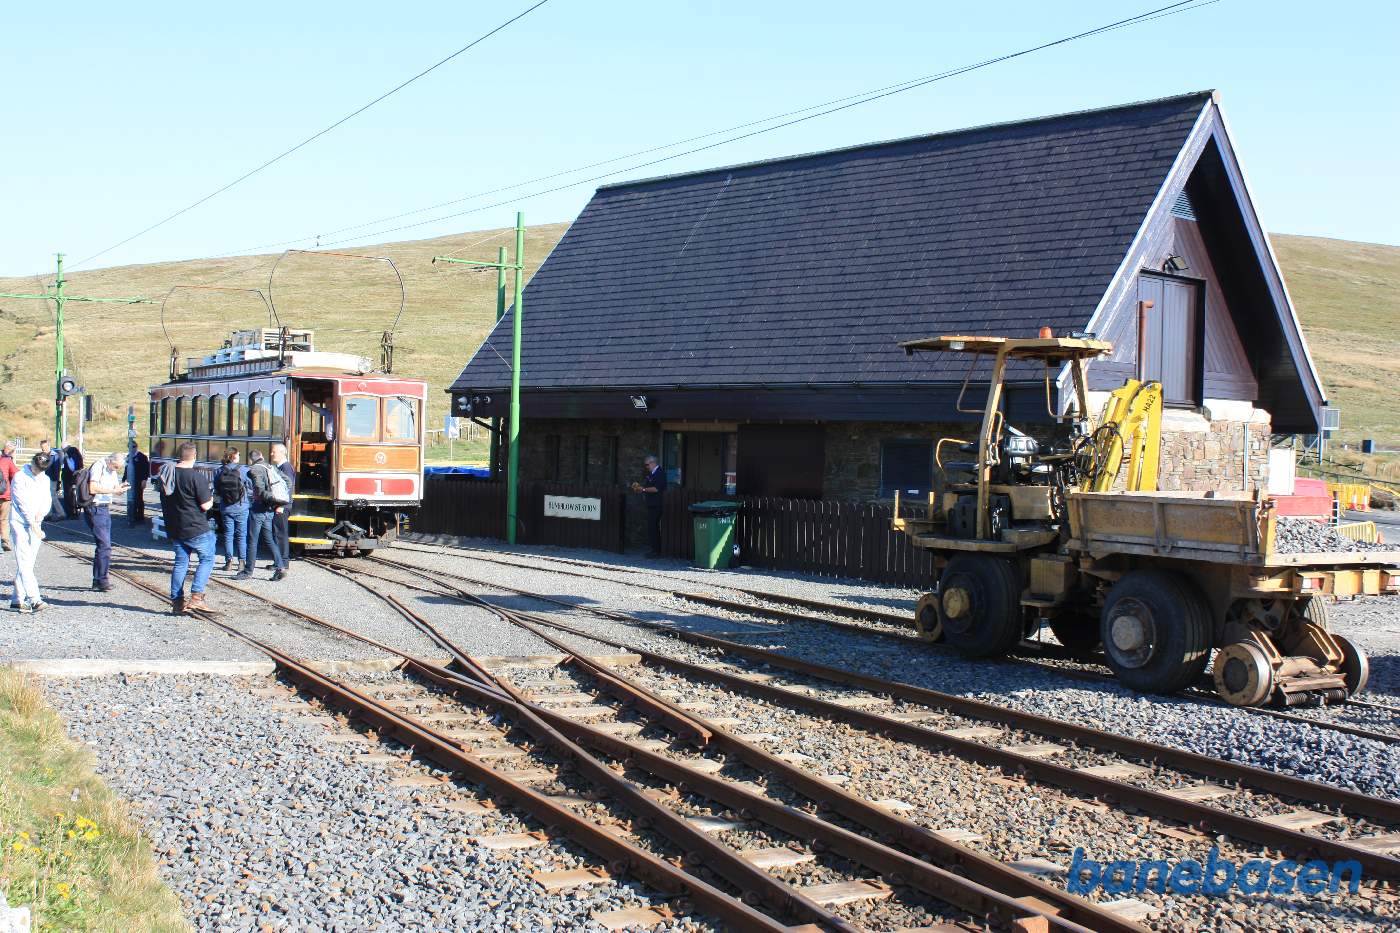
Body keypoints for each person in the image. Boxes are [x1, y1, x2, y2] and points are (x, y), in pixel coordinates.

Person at [158, 441, 215, 613]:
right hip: (195, 527)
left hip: (175, 527)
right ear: (195, 456)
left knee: (181, 563)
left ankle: (177, 601)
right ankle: (197, 597)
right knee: (207, 558)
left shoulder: (167, 475)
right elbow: (206, 506)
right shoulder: (196, 477)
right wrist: (211, 499)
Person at [9, 452, 54, 612]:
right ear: (32, 462)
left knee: (29, 562)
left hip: (36, 522)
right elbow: (21, 503)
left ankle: (17, 598)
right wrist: (32, 523)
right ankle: (35, 599)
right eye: (37, 467)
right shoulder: (20, 477)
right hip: (20, 523)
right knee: (24, 560)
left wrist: (41, 514)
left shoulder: (45, 478)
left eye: (42, 469)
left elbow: (47, 499)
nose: (38, 471)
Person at [84, 451, 128, 592]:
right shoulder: (99, 466)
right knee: (105, 545)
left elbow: (112, 489)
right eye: (115, 466)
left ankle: (98, 579)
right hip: (95, 508)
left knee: (103, 545)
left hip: (104, 508)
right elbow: (93, 488)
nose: (116, 469)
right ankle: (102, 580)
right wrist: (112, 491)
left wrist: (119, 489)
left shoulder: (111, 470)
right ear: (110, 461)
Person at [241, 449, 288, 581]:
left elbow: (260, 490)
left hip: (259, 508)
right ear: (261, 456)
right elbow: (288, 482)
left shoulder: (254, 469)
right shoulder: (270, 467)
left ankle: (248, 571)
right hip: (269, 510)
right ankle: (280, 568)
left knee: (252, 540)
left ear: (251, 460)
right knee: (269, 538)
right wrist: (277, 503)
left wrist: (271, 498)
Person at [213, 447, 251, 573]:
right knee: (241, 535)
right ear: (234, 456)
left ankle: (228, 562)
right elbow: (250, 486)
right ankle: (241, 562)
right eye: (238, 454)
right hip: (241, 507)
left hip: (226, 508)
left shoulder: (219, 471)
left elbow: (216, 489)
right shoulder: (244, 470)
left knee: (228, 535)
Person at [630, 453, 667, 558]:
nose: (646, 467)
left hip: (657, 504)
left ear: (653, 463)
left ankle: (656, 551)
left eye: (647, 465)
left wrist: (643, 489)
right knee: (651, 527)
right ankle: (654, 549)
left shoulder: (660, 473)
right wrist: (640, 489)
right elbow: (648, 487)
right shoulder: (652, 474)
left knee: (653, 527)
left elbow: (656, 488)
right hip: (651, 503)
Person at [269, 442, 297, 570]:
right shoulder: (280, 467)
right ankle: (278, 561)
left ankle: (283, 562)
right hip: (279, 505)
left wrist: (282, 505)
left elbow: (287, 488)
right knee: (277, 533)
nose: (271, 454)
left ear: (281, 452)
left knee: (281, 533)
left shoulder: (285, 468)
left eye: (274, 452)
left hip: (282, 506)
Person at [125, 441, 151, 525]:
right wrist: (124, 479)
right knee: (131, 497)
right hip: (130, 480)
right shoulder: (129, 456)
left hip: (139, 480)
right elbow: (126, 469)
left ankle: (140, 516)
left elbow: (146, 469)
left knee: (139, 498)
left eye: (132, 447)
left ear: (136, 447)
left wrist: (144, 480)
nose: (131, 449)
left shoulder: (142, 456)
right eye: (129, 447)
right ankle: (132, 514)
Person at [0, 441, 18, 551]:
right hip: (5, 495)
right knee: (4, 519)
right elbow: (16, 475)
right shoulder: (8, 461)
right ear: (12, 452)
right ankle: (5, 541)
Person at [40, 440, 62, 522]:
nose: (43, 450)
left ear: (49, 446)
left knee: (52, 497)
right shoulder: (43, 456)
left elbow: (57, 469)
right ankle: (49, 514)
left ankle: (56, 514)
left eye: (44, 447)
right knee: (46, 497)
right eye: (42, 448)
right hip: (44, 479)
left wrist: (57, 481)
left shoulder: (54, 456)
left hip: (52, 479)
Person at [59, 445, 84, 520]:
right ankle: (74, 512)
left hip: (69, 477)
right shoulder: (76, 453)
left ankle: (71, 513)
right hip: (76, 477)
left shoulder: (69, 454)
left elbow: (71, 467)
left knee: (69, 496)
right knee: (73, 495)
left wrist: (65, 458)